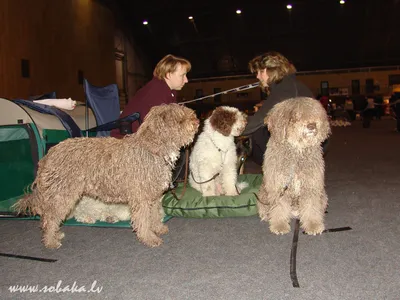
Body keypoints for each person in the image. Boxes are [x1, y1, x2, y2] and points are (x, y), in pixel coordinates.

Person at [241, 51, 314, 165]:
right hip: (305, 138)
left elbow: (259, 119)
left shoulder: (284, 88)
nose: (257, 76)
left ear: (269, 70)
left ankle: (278, 171)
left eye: (260, 72)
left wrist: (231, 128)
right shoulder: (289, 84)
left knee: (256, 132)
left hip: (303, 142)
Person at [111, 54, 191, 138]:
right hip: (125, 141)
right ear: (168, 75)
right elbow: (161, 129)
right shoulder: (156, 92)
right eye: (182, 75)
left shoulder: (169, 90)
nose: (186, 80)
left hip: (140, 140)